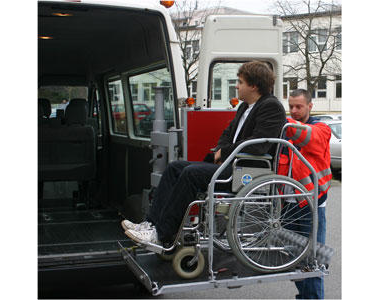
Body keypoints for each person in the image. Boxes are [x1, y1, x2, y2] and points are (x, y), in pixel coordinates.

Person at [121, 61, 286, 248]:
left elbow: (259, 145)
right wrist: (219, 150)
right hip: (231, 164)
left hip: (246, 169)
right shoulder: (244, 107)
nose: (236, 86)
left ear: (254, 86)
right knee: (175, 167)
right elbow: (227, 133)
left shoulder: (271, 107)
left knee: (191, 174)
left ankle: (162, 233)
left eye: (240, 82)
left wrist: (224, 151)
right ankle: (151, 224)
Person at [278, 89, 332, 299]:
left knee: (313, 262)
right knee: (295, 260)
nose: (294, 110)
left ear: (310, 106)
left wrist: (278, 117)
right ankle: (305, 296)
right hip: (288, 206)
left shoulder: (321, 128)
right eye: (290, 106)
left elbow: (307, 136)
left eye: (299, 106)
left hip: (312, 205)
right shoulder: (286, 131)